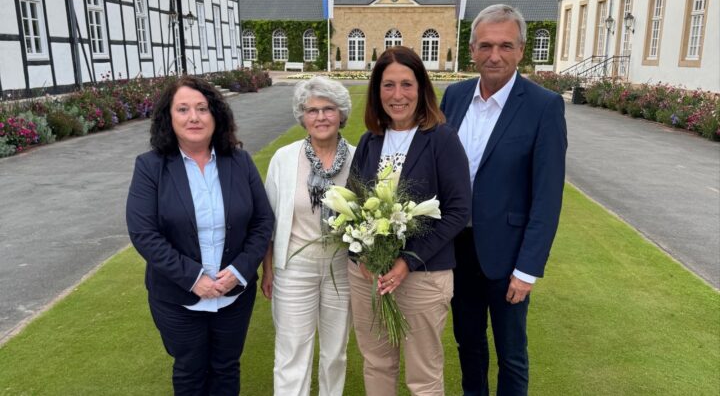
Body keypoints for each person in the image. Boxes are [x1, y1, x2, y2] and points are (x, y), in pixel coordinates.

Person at [439, 4, 568, 396]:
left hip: (509, 255)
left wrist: (527, 269)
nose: (494, 55)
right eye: (486, 45)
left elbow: (547, 197)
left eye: (505, 46)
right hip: (457, 249)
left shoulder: (544, 106)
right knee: (468, 342)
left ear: (521, 50)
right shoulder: (454, 96)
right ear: (472, 50)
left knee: (511, 353)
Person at [126, 75, 274, 395]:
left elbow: (263, 222)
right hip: (177, 297)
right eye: (183, 109)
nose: (193, 117)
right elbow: (143, 232)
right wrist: (194, 279)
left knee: (226, 367)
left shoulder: (240, 162)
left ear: (216, 115)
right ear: (169, 117)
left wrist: (238, 271)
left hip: (234, 295)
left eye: (202, 108)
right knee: (190, 371)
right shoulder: (151, 167)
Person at [349, 46, 471, 395]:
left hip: (423, 277)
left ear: (421, 89)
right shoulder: (370, 141)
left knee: (423, 376)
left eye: (406, 84)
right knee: (377, 363)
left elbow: (458, 211)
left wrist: (407, 261)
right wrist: (360, 255)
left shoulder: (442, 139)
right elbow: (351, 205)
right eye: (388, 85)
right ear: (377, 91)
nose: (397, 95)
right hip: (369, 277)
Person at [261, 76, 355, 396]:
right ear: (302, 116)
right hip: (294, 267)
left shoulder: (358, 158)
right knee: (292, 352)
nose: (321, 117)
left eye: (329, 109)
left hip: (342, 267)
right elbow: (269, 220)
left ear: (341, 114)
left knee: (335, 352)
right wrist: (269, 269)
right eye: (312, 110)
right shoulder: (284, 159)